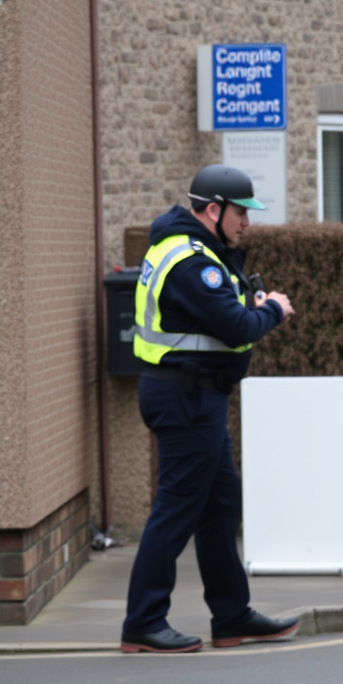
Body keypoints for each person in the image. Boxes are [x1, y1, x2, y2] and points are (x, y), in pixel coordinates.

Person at [121, 164, 298, 654]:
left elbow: (221, 310)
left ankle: (232, 616)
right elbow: (235, 326)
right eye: (241, 213)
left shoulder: (196, 250)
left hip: (195, 396)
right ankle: (143, 622)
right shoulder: (190, 260)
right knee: (176, 509)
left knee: (221, 505)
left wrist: (250, 302)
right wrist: (273, 310)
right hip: (186, 397)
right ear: (214, 209)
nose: (248, 223)